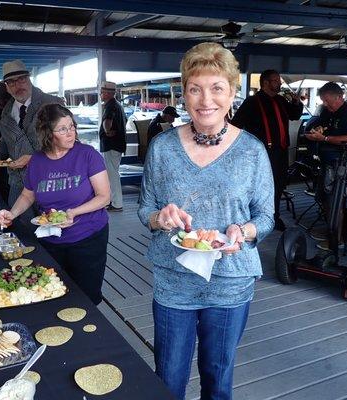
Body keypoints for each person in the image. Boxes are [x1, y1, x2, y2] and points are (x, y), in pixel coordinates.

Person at [138, 42, 274, 400]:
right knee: (168, 378)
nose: (205, 99)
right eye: (195, 88)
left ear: (232, 94)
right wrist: (159, 217)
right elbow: (145, 209)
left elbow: (266, 216)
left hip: (231, 282)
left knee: (217, 378)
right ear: (184, 94)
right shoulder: (162, 147)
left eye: (217, 88)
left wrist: (242, 231)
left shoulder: (252, 151)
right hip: (173, 280)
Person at [0, 104, 111, 305]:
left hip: (87, 238)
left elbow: (104, 197)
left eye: (72, 126)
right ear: (48, 133)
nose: (71, 133)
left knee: (87, 297)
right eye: (63, 129)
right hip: (50, 240)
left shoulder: (87, 154)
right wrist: (12, 214)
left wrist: (74, 212)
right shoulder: (37, 161)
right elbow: (27, 195)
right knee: (52, 293)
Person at [0, 60, 63, 222]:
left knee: (55, 228)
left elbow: (68, 144)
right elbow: (8, 146)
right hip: (18, 183)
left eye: (21, 79)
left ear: (29, 79)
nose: (17, 86)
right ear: (7, 87)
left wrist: (34, 158)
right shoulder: (6, 112)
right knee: (23, 232)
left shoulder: (52, 103)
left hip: (51, 180)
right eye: (11, 82)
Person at [232, 69, 303, 231]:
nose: (279, 83)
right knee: (259, 187)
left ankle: (273, 217)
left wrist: (297, 103)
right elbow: (236, 125)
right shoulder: (252, 102)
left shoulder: (281, 100)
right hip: (260, 154)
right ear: (265, 83)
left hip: (281, 151)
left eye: (279, 81)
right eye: (276, 81)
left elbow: (294, 115)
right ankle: (254, 217)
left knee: (278, 186)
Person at [305, 82, 347, 249]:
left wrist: (324, 139)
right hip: (326, 162)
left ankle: (336, 240)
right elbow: (320, 128)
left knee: (335, 201)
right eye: (323, 100)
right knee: (324, 198)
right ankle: (329, 231)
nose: (325, 104)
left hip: (342, 164)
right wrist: (315, 134)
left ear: (339, 97)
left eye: (327, 100)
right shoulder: (326, 111)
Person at [99, 81, 127, 212]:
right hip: (118, 144)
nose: (100, 95)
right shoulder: (118, 106)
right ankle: (112, 201)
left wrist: (107, 131)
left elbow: (107, 121)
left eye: (102, 92)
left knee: (112, 175)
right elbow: (125, 121)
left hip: (111, 144)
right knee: (112, 173)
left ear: (108, 93)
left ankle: (116, 203)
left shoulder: (110, 105)